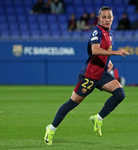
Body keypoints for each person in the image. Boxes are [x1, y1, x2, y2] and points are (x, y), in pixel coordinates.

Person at [44, 6, 129, 145]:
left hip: (102, 73)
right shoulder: (97, 30)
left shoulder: (110, 32)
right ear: (99, 18)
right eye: (104, 17)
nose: (107, 20)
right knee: (72, 103)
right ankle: (51, 128)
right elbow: (95, 50)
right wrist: (115, 52)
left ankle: (98, 119)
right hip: (89, 75)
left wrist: (109, 61)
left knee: (120, 94)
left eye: (109, 17)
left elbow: (104, 50)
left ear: (113, 18)